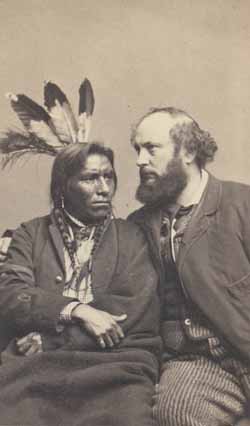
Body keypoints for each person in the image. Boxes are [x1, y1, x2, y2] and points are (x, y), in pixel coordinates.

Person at [0, 142, 161, 426]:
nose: (104, 189)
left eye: (108, 176)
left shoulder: (133, 235)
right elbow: (12, 294)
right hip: (35, 365)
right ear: (63, 186)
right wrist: (76, 309)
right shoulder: (31, 233)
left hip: (117, 364)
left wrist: (52, 339)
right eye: (90, 178)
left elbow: (129, 308)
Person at [128, 107, 250, 426]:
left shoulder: (242, 204)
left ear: (189, 151)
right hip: (199, 362)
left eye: (151, 148)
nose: (140, 160)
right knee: (178, 413)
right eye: (137, 150)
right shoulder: (138, 225)